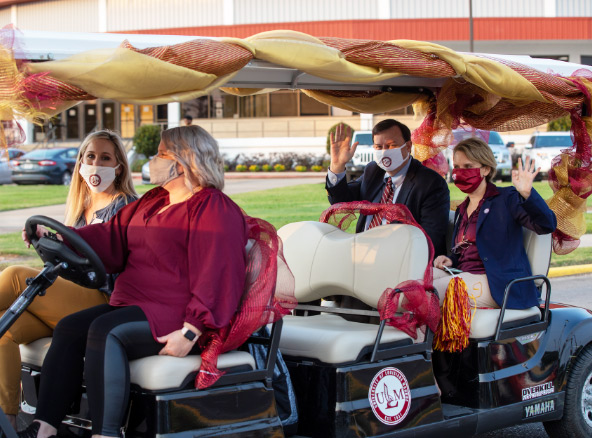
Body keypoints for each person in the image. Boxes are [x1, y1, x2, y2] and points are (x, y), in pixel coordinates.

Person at [18, 125, 249, 438]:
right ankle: (44, 427)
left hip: (177, 315)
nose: (152, 159)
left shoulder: (213, 208)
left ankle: (106, 433)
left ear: (181, 162)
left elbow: (217, 274)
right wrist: (58, 236)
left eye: (160, 153)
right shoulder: (152, 202)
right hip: (135, 305)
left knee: (105, 330)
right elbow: (110, 237)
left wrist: (191, 331)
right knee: (70, 327)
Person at [0, 130, 137, 428]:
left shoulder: (125, 206)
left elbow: (108, 263)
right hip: (72, 298)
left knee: (13, 277)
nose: (96, 163)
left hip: (103, 299)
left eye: (105, 158)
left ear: (119, 166)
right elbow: (66, 264)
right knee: (4, 331)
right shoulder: (79, 208)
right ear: (80, 163)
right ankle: (8, 421)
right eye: (90, 157)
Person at [433, 137, 557, 309]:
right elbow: (464, 250)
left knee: (428, 294)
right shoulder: (463, 209)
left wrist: (528, 194)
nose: (460, 172)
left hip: (497, 283)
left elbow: (546, 225)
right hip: (465, 275)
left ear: (485, 169)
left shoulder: (506, 199)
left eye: (468, 167)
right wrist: (450, 260)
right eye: (458, 167)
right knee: (417, 280)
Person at [326, 119, 450, 257]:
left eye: (391, 145)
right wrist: (337, 166)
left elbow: (431, 238)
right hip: (361, 253)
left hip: (401, 260)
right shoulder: (373, 170)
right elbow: (341, 201)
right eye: (379, 147)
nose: (384, 152)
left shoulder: (430, 183)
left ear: (408, 146)